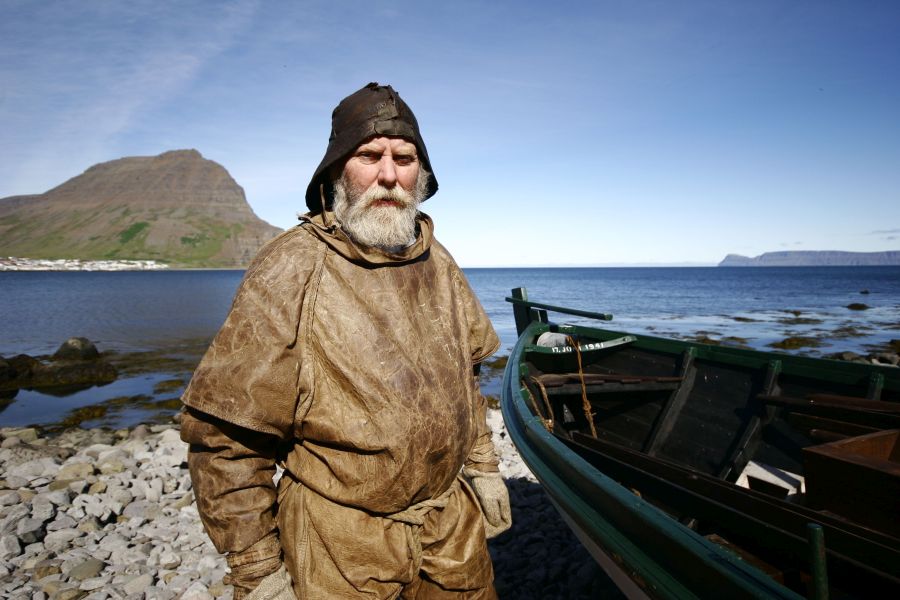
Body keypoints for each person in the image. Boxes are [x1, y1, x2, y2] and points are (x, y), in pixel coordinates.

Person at [180, 82, 512, 599]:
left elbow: (464, 380)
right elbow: (227, 439)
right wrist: (257, 570)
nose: (389, 174)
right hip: (340, 545)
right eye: (369, 156)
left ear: (421, 174)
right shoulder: (292, 267)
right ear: (337, 170)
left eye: (404, 158)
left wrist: (484, 468)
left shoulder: (436, 259)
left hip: (450, 528)